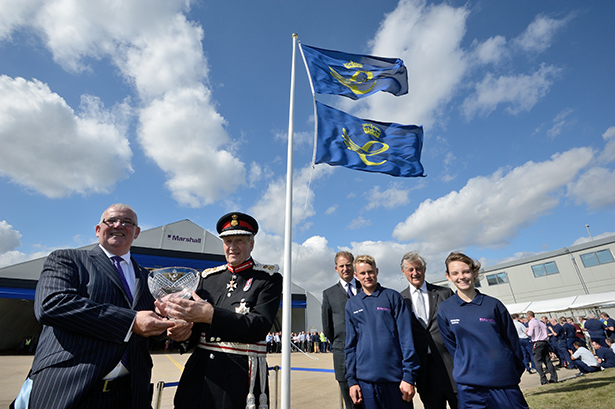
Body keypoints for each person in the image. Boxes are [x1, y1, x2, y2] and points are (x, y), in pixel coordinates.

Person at [28, 204, 175, 409]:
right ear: (98, 230)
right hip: (72, 389)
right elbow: (51, 305)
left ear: (136, 232)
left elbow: (147, 326)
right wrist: (130, 321)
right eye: (111, 220)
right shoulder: (68, 259)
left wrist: (169, 328)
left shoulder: (147, 277)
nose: (118, 225)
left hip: (129, 394)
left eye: (127, 222)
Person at [161, 212, 283, 409]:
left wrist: (211, 315)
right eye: (227, 241)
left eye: (239, 241)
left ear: (252, 244)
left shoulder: (268, 279)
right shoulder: (208, 278)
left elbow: (259, 325)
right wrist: (181, 331)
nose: (232, 247)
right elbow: (196, 329)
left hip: (238, 376)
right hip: (200, 374)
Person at [437, 252, 528, 409]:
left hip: (503, 383)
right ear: (448, 276)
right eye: (455, 273)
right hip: (469, 388)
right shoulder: (445, 309)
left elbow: (512, 343)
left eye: (466, 271)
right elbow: (453, 347)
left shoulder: (493, 305)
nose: (462, 277)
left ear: (474, 272)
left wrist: (508, 373)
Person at [345, 255, 420, 409]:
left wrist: (408, 376)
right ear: (356, 276)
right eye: (363, 273)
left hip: (396, 381)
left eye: (370, 272)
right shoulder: (352, 304)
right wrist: (352, 381)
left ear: (377, 271)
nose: (367, 276)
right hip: (365, 383)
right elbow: (350, 346)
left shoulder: (393, 298)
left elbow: (406, 339)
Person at [399, 251, 457, 409]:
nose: (415, 273)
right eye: (410, 269)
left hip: (451, 365)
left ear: (424, 270)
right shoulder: (400, 301)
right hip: (424, 370)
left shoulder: (444, 293)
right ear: (403, 272)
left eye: (418, 268)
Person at [322, 251, 363, 409]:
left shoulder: (365, 287)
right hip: (343, 354)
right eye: (341, 266)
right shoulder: (329, 294)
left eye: (348, 265)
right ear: (336, 268)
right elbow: (327, 328)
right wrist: (341, 342)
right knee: (351, 403)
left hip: (367, 355)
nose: (345, 268)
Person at [526, 310, 558, 385]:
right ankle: (554, 377)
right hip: (544, 341)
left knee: (537, 360)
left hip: (537, 342)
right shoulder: (541, 323)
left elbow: (530, 333)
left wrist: (526, 332)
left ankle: (543, 378)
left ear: (528, 316)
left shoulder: (531, 322)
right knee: (547, 360)